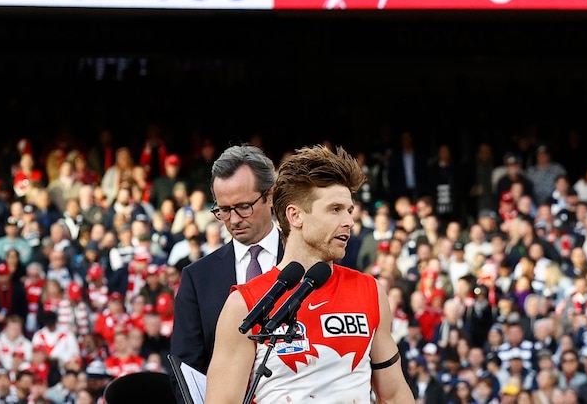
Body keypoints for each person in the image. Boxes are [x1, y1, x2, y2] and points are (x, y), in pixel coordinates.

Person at [204, 144, 414, 403]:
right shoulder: (245, 304)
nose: (348, 221)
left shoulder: (370, 290)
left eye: (349, 210)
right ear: (295, 216)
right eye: (335, 209)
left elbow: (394, 395)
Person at [170, 144, 284, 377]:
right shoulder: (197, 278)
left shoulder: (309, 265)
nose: (233, 220)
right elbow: (186, 369)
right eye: (223, 210)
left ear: (270, 196)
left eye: (244, 207)